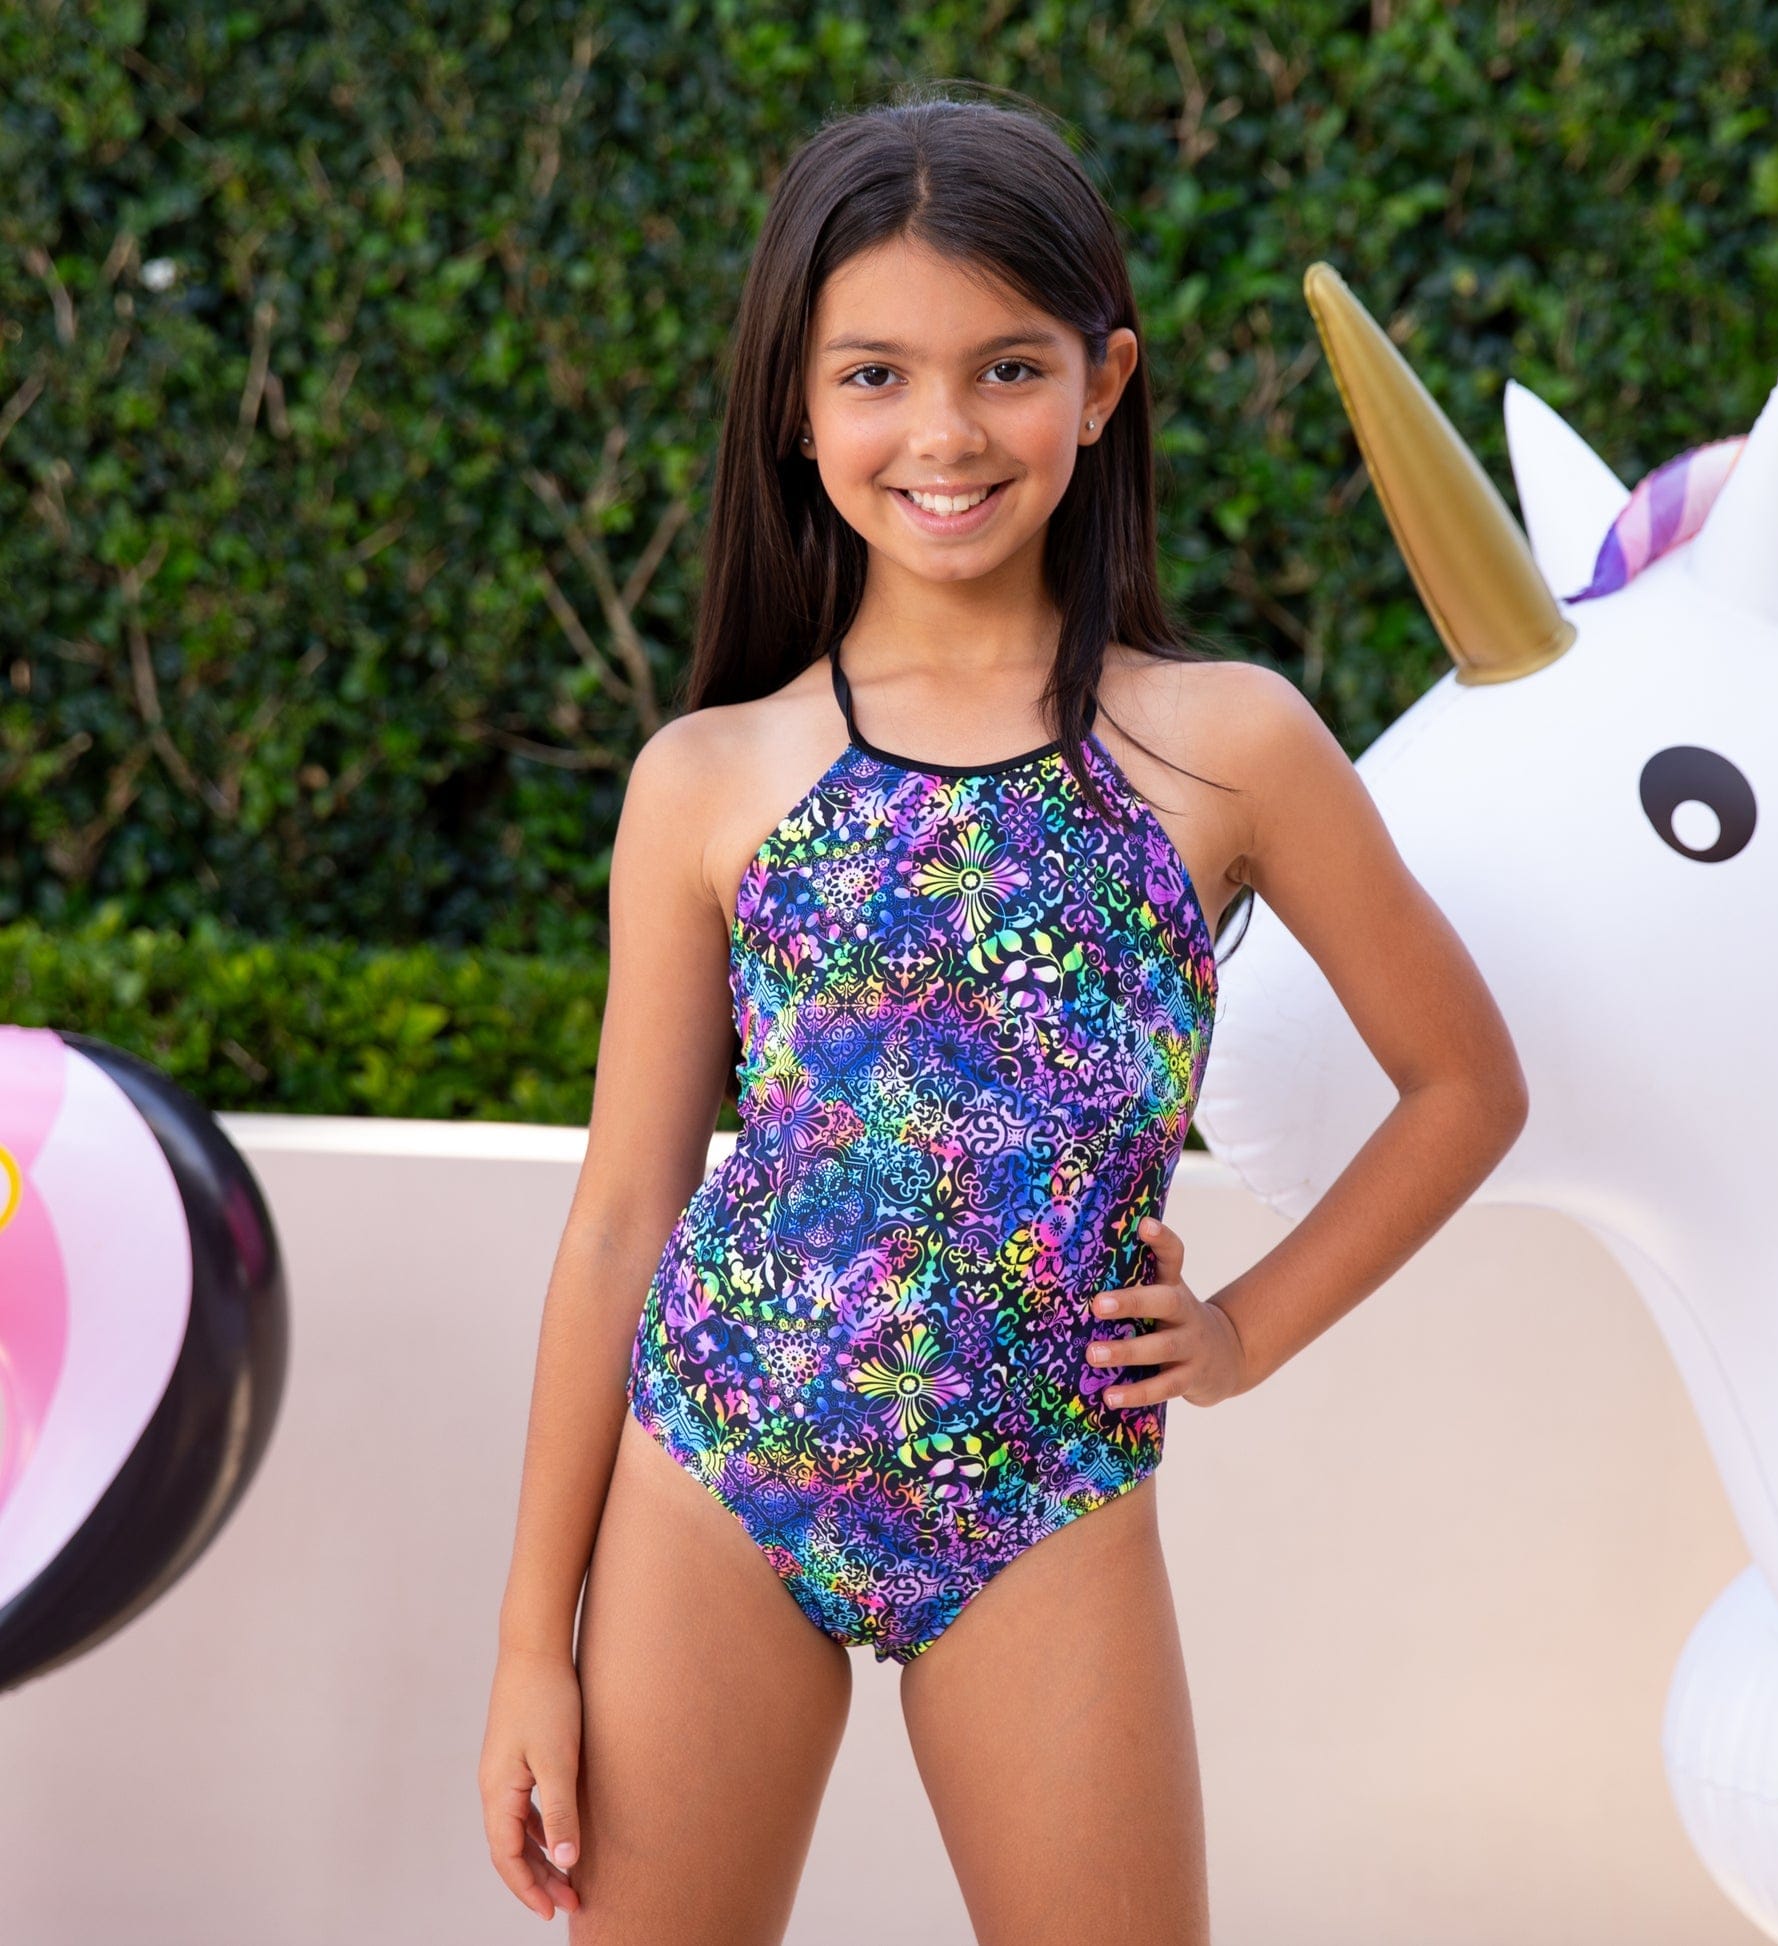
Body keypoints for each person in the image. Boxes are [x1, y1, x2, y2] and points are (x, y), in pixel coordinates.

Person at [478, 87, 1527, 1946]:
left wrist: (1242, 1331)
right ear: (796, 405)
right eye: (873, 374)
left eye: (1008, 368)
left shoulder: (1225, 745)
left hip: (1046, 1499)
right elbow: (625, 1213)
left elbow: (1463, 1084)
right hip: (716, 1476)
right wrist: (526, 1647)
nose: (943, 432)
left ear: (1102, 383)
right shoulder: (708, 775)